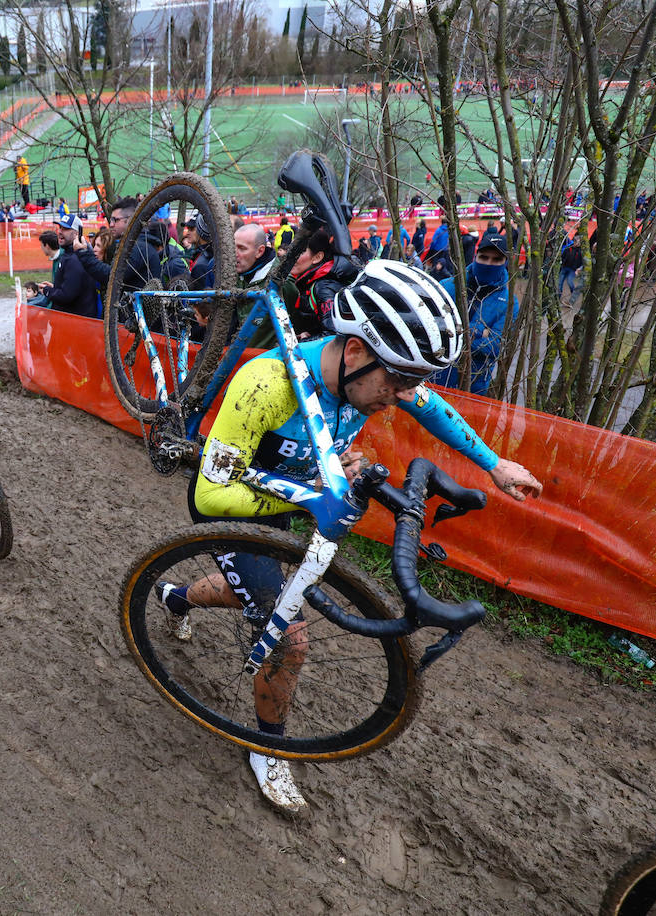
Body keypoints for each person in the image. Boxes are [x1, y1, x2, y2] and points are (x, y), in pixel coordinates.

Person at [166, 259, 542, 814]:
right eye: (396, 384)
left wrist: (493, 465)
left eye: (409, 384)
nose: (401, 398)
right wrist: (314, 494)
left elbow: (431, 405)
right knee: (289, 636)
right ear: (358, 350)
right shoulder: (267, 386)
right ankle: (267, 747)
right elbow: (209, 494)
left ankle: (174, 596)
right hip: (233, 508)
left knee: (246, 592)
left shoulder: (373, 375)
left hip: (285, 502)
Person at [430, 230, 518, 395]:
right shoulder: (448, 285)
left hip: (473, 387)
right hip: (434, 378)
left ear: (505, 261)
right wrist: (480, 332)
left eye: (496, 259)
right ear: (476, 256)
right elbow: (430, 327)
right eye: (484, 257)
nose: (489, 263)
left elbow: (495, 347)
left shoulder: (509, 302)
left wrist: (455, 333)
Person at [41, 215, 98, 317]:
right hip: (72, 319)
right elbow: (72, 287)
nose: (60, 232)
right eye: (60, 228)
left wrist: (47, 291)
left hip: (76, 322)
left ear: (76, 233)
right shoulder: (70, 253)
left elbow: (67, 296)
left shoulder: (76, 258)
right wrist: (55, 288)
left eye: (66, 229)